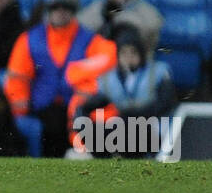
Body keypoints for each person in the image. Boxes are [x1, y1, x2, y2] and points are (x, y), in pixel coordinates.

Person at [5, 0, 116, 158]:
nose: (60, 12)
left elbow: (109, 56)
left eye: (66, 8)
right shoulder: (29, 39)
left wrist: (77, 72)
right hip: (41, 108)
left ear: (73, 12)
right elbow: (17, 78)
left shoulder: (88, 38)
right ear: (49, 11)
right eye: (55, 8)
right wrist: (20, 111)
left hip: (74, 108)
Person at [75, 25, 176, 157]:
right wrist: (82, 111)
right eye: (124, 53)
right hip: (124, 126)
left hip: (153, 125)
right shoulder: (109, 79)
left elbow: (165, 102)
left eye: (133, 52)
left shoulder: (158, 72)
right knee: (99, 127)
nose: (128, 57)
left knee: (132, 127)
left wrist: (136, 114)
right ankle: (105, 157)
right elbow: (97, 101)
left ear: (141, 53)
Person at [77, 0, 164, 57]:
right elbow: (81, 25)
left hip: (136, 58)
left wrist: (122, 16)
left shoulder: (146, 9)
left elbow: (152, 29)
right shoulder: (100, 5)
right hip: (103, 56)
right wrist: (105, 15)